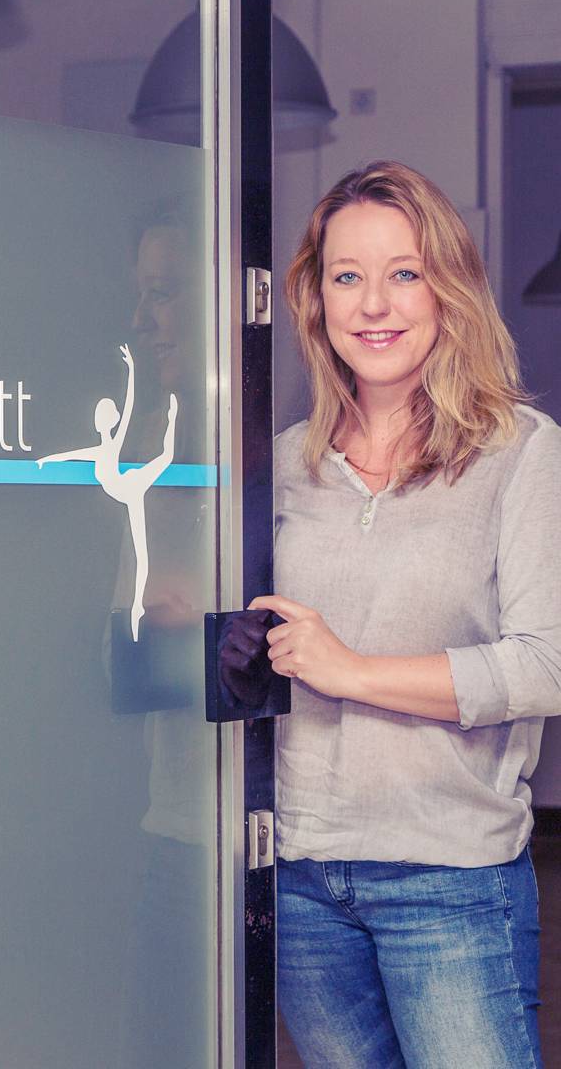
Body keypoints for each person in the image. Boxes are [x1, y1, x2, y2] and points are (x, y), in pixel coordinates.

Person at [248, 160, 561, 1067]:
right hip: (300, 877)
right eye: (347, 276)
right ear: (315, 300)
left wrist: (351, 672)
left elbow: (546, 666)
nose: (374, 304)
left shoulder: (519, 453)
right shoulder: (281, 466)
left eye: (404, 273)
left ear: (447, 288)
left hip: (452, 880)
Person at [37, 343, 178, 640]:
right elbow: (72, 455)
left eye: (105, 414)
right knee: (138, 551)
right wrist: (46, 459)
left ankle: (173, 418)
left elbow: (129, 406)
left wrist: (132, 368)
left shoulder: (112, 445)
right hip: (129, 489)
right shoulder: (101, 449)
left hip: (130, 487)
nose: (102, 419)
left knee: (141, 551)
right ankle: (137, 606)